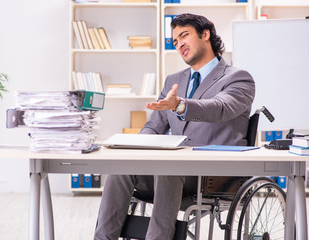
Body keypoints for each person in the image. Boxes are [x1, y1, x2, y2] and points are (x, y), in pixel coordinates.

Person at [94, 13, 255, 240]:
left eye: (184, 35)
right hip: (174, 172)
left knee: (168, 167)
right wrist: (134, 147)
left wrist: (181, 105)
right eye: (175, 41)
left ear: (205, 34)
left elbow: (220, 108)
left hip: (214, 176)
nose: (179, 44)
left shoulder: (238, 78)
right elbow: (154, 126)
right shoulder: (173, 80)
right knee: (121, 169)